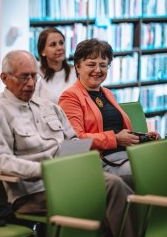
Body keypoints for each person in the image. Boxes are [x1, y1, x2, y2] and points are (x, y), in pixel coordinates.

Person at [0, 50, 135, 237]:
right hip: (34, 192)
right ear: (5, 78)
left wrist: (76, 163)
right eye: (23, 77)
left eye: (34, 76)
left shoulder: (48, 107)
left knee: (119, 190)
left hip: (67, 179)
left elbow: (74, 142)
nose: (30, 83)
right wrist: (45, 170)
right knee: (113, 188)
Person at [58, 39, 160, 179]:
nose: (98, 70)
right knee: (153, 170)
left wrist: (142, 136)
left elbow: (117, 129)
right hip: (101, 162)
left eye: (103, 65)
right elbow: (76, 141)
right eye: (91, 64)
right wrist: (115, 139)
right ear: (77, 67)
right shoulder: (70, 97)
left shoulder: (108, 93)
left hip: (127, 155)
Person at [34, 27, 77, 103]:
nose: (59, 48)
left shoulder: (75, 72)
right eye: (53, 45)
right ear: (42, 51)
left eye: (61, 43)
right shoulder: (36, 74)